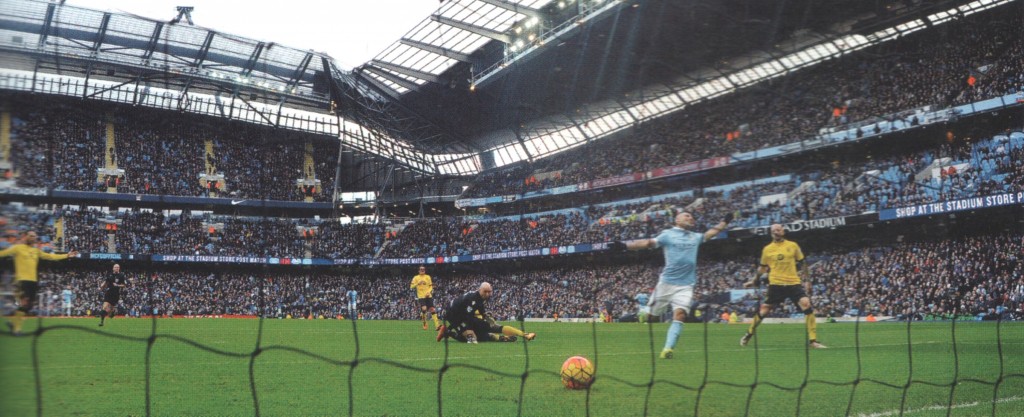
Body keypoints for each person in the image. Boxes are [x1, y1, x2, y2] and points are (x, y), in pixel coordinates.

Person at [611, 210, 733, 359]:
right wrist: (625, 245)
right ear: (677, 219)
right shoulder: (668, 234)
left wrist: (725, 221)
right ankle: (642, 315)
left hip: (686, 285)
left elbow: (711, 233)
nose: (690, 217)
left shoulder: (695, 237)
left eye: (692, 216)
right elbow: (648, 243)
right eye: (687, 215)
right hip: (666, 284)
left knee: (680, 314)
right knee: (652, 318)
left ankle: (668, 349)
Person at [740, 223, 826, 349]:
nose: (776, 232)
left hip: (793, 283)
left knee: (806, 304)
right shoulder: (767, 249)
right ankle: (749, 334)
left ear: (783, 232)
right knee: (764, 310)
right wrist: (754, 280)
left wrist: (807, 281)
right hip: (776, 284)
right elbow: (762, 268)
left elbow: (803, 263)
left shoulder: (793, 245)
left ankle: (813, 340)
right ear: (771, 233)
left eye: (778, 230)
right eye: (773, 230)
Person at [0, 231, 78, 335]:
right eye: (31, 235)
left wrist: (67, 255)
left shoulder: (36, 251)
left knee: (28, 306)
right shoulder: (18, 248)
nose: (33, 237)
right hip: (22, 280)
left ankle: (13, 323)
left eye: (34, 236)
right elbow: (3, 253)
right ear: (26, 237)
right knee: (24, 302)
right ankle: (16, 329)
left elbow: (50, 256)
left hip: (33, 282)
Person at [437, 282, 536, 343]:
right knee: (472, 340)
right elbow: (467, 318)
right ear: (480, 290)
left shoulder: (479, 298)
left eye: (489, 292)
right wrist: (481, 325)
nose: (488, 294)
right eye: (485, 291)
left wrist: (487, 318)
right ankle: (448, 332)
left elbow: (482, 312)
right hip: (453, 316)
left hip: (463, 315)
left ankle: (525, 335)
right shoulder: (473, 299)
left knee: (493, 327)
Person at [410, 266, 440, 330]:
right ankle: (424, 323)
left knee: (432, 309)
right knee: (424, 309)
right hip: (421, 296)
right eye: (421, 269)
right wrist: (417, 283)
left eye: (423, 269)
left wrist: (428, 292)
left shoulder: (428, 277)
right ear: (418, 270)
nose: (422, 270)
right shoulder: (416, 277)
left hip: (428, 295)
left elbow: (431, 286)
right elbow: (411, 286)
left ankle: (437, 325)